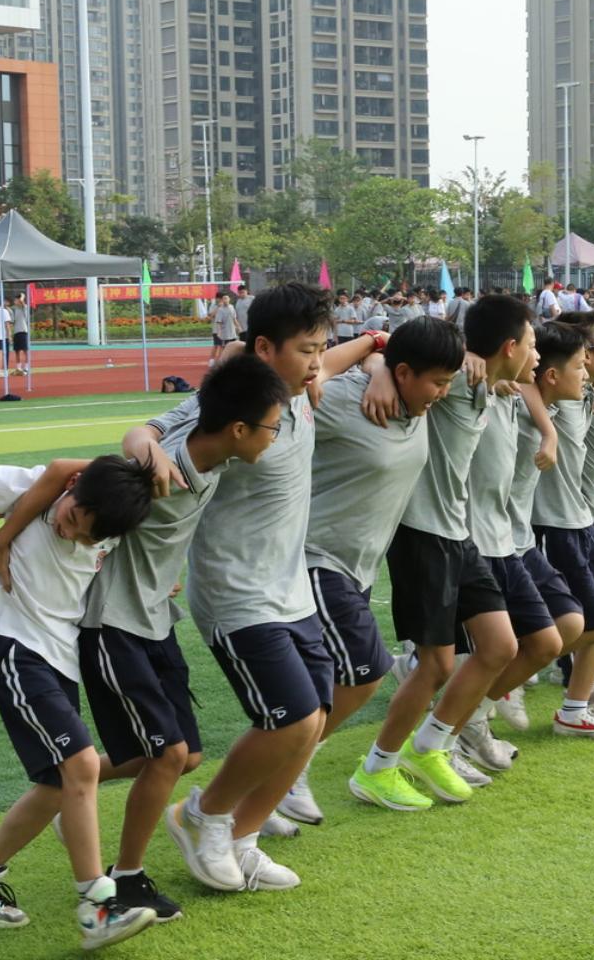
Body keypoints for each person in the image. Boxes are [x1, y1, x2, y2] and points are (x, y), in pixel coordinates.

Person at [125, 283, 381, 893]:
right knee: (291, 719)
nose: (319, 362)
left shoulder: (298, 388)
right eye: (307, 350)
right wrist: (144, 448)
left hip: (291, 590)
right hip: (237, 593)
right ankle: (202, 815)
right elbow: (144, 432)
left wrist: (373, 354)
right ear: (265, 348)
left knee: (315, 719)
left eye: (323, 348)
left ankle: (242, 837)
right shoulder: (229, 403)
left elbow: (342, 358)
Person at [55, 357, 287, 918]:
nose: (276, 437)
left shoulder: (197, 432)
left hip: (157, 621)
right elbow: (73, 479)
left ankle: (67, 789)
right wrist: (14, 534)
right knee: (168, 753)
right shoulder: (159, 473)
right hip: (114, 626)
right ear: (238, 430)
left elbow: (157, 421)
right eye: (272, 427)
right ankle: (126, 879)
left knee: (182, 758)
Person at [0, 457, 157, 950]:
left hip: (59, 655)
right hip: (15, 644)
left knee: (56, 783)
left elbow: (147, 492)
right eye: (72, 517)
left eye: (85, 535)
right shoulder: (39, 489)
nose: (70, 530)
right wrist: (0, 538)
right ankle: (98, 904)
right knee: (80, 765)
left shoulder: (111, 519)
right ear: (71, 489)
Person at [283, 318, 464, 821]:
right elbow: (303, 383)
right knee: (367, 671)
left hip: (360, 568)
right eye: (437, 382)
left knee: (317, 686)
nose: (444, 393)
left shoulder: (418, 400)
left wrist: (382, 362)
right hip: (314, 557)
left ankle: (274, 776)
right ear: (405, 372)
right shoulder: (348, 400)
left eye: (449, 383)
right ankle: (284, 772)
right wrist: (375, 350)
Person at [352, 295, 530, 807]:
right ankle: (376, 768)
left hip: (457, 531)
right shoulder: (455, 380)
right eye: (533, 343)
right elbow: (399, 352)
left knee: (500, 647)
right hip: (421, 532)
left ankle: (431, 744)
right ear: (511, 346)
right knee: (434, 666)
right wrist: (380, 368)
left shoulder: (481, 384)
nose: (535, 355)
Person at [527, 321, 594, 731]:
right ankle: (502, 675)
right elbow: (524, 385)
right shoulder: (553, 395)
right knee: (585, 622)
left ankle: (575, 709)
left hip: (582, 518)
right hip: (553, 524)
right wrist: (550, 432)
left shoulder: (584, 390)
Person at [210, 292, 239, 363]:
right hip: (216, 329)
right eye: (220, 299)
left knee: (226, 346)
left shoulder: (230, 307)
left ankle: (224, 360)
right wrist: (218, 307)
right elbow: (211, 316)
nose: (221, 300)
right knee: (217, 345)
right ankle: (212, 360)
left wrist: (237, 327)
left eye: (223, 298)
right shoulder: (214, 306)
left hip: (228, 331)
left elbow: (233, 318)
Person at [11, 294, 32, 375]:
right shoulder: (14, 310)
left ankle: (26, 368)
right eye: (15, 300)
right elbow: (12, 321)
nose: (15, 301)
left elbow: (22, 301)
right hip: (16, 332)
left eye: (16, 300)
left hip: (23, 332)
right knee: (17, 351)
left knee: (25, 351)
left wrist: (22, 296)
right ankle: (18, 368)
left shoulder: (24, 307)